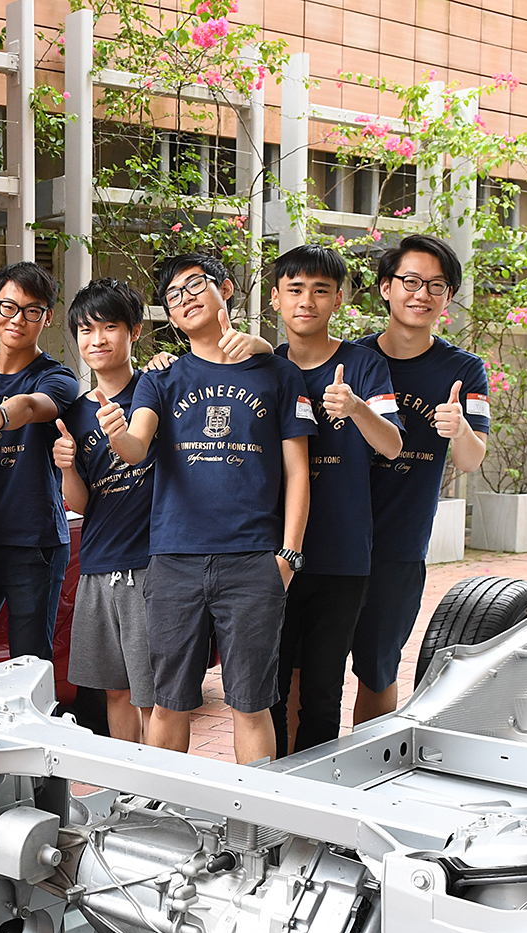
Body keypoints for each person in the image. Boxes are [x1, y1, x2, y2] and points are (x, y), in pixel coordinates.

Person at [102, 251, 315, 764]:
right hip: (175, 561)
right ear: (171, 318)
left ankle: (255, 815)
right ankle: (159, 807)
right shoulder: (161, 379)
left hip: (253, 561)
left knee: (251, 705)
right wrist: (116, 434)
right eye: (173, 295)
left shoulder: (278, 374)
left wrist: (288, 555)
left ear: (225, 288)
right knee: (169, 703)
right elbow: (137, 446)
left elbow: (298, 471)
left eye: (195, 285)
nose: (185, 298)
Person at [264, 245, 403, 757]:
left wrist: (357, 408)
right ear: (275, 298)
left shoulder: (363, 365)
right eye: (295, 290)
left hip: (342, 556)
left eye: (320, 290)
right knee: (268, 688)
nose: (307, 301)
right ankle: (268, 788)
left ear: (338, 299)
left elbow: (393, 445)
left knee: (323, 692)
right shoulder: (261, 366)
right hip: (269, 555)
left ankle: (314, 791)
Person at [349, 234, 489, 726]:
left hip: (399, 546)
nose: (421, 294)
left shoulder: (464, 369)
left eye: (436, 285)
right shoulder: (351, 359)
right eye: (410, 281)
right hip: (331, 540)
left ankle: (365, 764)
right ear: (386, 287)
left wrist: (461, 429)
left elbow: (471, 459)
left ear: (447, 297)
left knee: (378, 672)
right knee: (306, 666)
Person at [0, 262, 82, 670]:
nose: (18, 319)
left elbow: (31, 406)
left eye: (32, 311)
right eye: (9, 307)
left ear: (47, 317)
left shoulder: (58, 378)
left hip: (36, 544)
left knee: (29, 666)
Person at [52, 278, 156, 742]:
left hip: (151, 564)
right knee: (116, 691)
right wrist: (67, 468)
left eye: (109, 327)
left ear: (134, 331)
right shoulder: (75, 414)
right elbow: (80, 503)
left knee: (153, 694)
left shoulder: (157, 390)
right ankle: (129, 780)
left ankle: (160, 781)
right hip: (98, 565)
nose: (97, 340)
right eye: (86, 330)